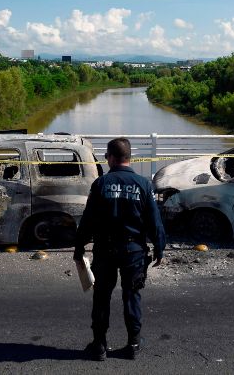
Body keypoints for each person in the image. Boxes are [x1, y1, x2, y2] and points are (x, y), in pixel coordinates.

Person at [74, 137, 166, 361]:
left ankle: (99, 345)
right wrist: (159, 247)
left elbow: (87, 221)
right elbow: (154, 221)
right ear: (129, 158)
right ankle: (133, 344)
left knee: (101, 296)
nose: (106, 159)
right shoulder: (143, 184)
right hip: (133, 251)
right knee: (131, 296)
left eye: (106, 156)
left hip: (105, 250)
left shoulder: (101, 184)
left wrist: (79, 247)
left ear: (112, 158)